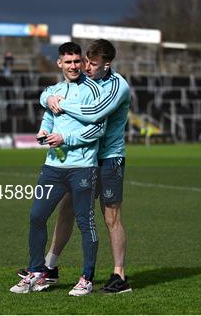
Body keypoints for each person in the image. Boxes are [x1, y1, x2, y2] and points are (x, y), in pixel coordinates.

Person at [17, 39, 132, 294]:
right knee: (66, 210)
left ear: (107, 64)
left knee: (110, 216)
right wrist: (48, 96)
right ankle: (49, 266)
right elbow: (51, 92)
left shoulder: (116, 86)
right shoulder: (86, 82)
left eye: (92, 63)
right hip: (82, 159)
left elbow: (93, 113)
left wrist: (58, 101)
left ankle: (119, 275)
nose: (86, 67)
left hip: (108, 157)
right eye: (85, 61)